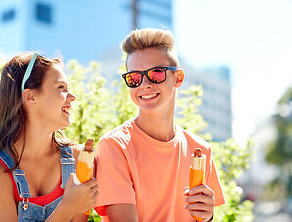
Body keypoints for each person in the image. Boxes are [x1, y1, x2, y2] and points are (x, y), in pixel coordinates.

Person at [94, 28, 226, 222]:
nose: (144, 84)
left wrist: (207, 217)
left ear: (178, 78)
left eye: (156, 73)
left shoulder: (201, 150)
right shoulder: (114, 147)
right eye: (135, 78)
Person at [0, 53, 99, 222]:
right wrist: (67, 208)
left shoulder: (78, 159)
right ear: (30, 97)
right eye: (61, 88)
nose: (72, 97)